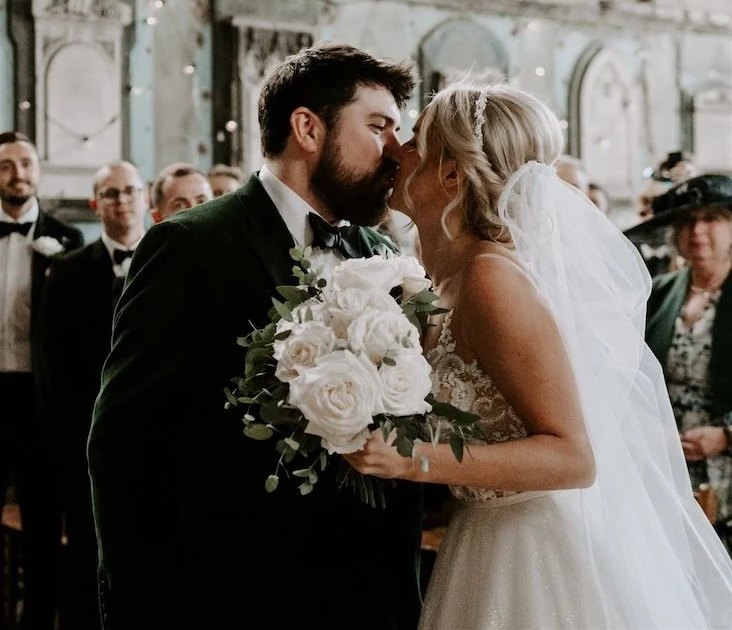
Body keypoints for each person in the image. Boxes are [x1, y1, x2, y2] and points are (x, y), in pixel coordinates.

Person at [345, 83, 732, 629]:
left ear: (452, 173)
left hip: (531, 553)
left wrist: (412, 460)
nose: (395, 150)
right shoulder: (450, 279)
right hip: (480, 535)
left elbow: (574, 457)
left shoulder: (491, 279)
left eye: (413, 140)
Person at [87, 43, 423, 630]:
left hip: (362, 589)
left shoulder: (380, 253)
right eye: (377, 127)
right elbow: (123, 447)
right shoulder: (191, 247)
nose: (395, 149)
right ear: (307, 128)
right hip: (234, 588)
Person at [36, 162, 148, 630]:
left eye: (129, 191)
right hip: (87, 439)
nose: (121, 201)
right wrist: (71, 443)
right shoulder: (66, 271)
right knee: (86, 550)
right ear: (95, 203)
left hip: (155, 440)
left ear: (145, 198)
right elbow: (52, 366)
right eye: (111, 193)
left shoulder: (174, 257)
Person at [0, 131, 83, 630]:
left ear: (39, 169)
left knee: (42, 520)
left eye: (26, 163)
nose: (17, 173)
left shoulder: (67, 240)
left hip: (38, 397)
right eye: (6, 164)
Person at [628, 174, 732, 550]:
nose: (698, 231)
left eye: (711, 218)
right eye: (687, 221)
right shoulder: (660, 292)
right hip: (664, 463)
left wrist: (726, 435)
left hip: (724, 465)